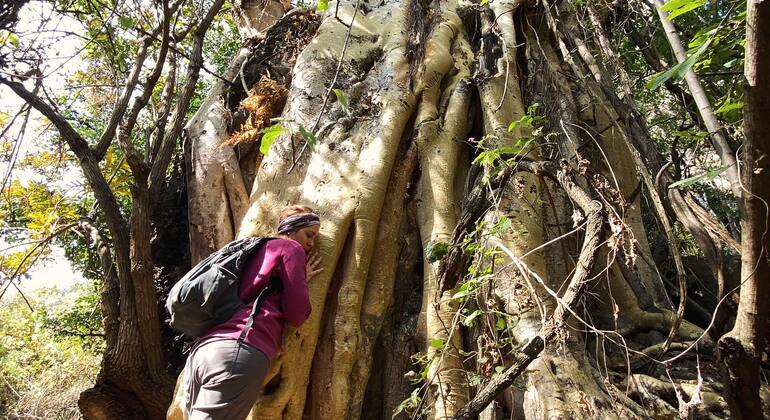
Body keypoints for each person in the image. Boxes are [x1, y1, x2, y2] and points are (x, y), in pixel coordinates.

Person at [186, 205, 323, 420]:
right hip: (239, 350)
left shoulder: (253, 250)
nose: (311, 243)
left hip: (204, 352)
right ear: (291, 228)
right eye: (309, 234)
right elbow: (297, 314)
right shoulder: (290, 249)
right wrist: (300, 281)